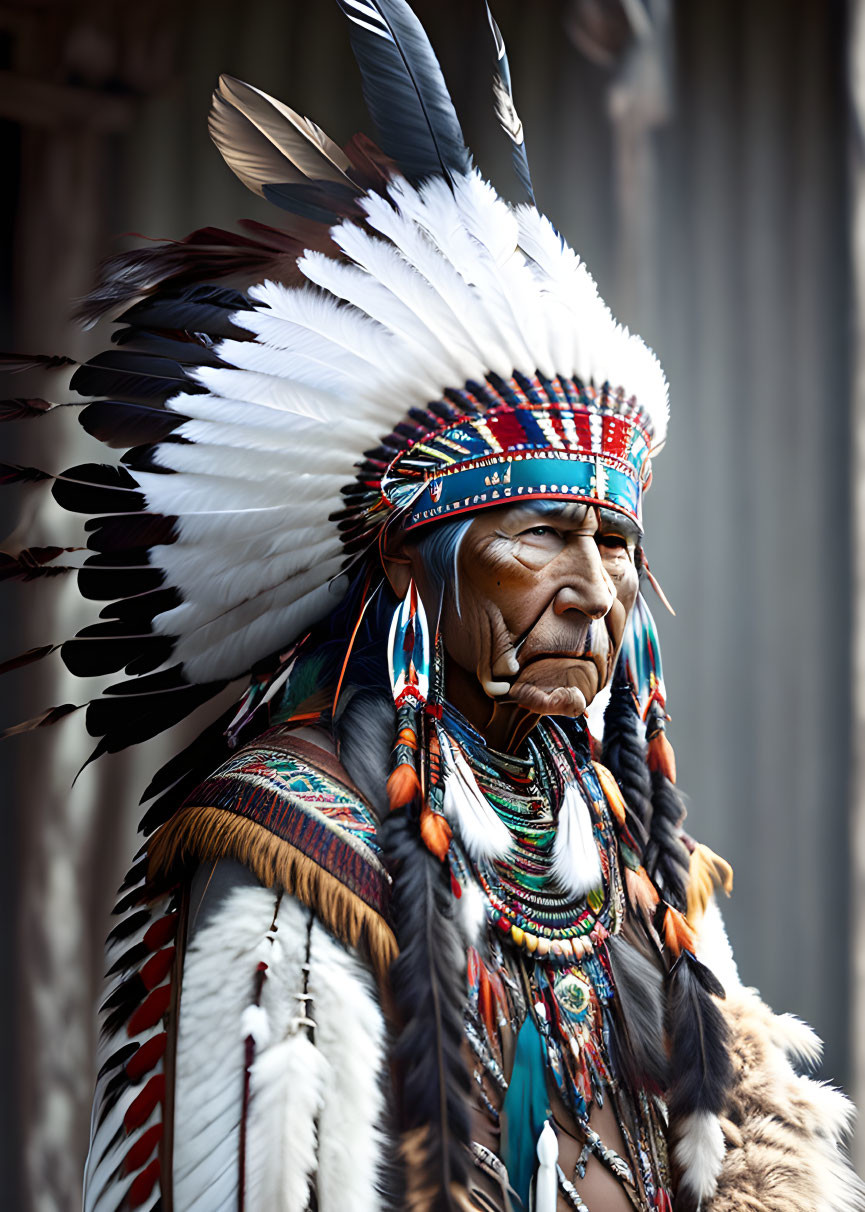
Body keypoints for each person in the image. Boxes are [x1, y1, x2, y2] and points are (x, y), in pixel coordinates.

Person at [8, 3, 863, 1210]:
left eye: (617, 542)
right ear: (414, 565)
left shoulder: (617, 841)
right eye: (543, 535)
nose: (595, 587)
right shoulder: (298, 846)